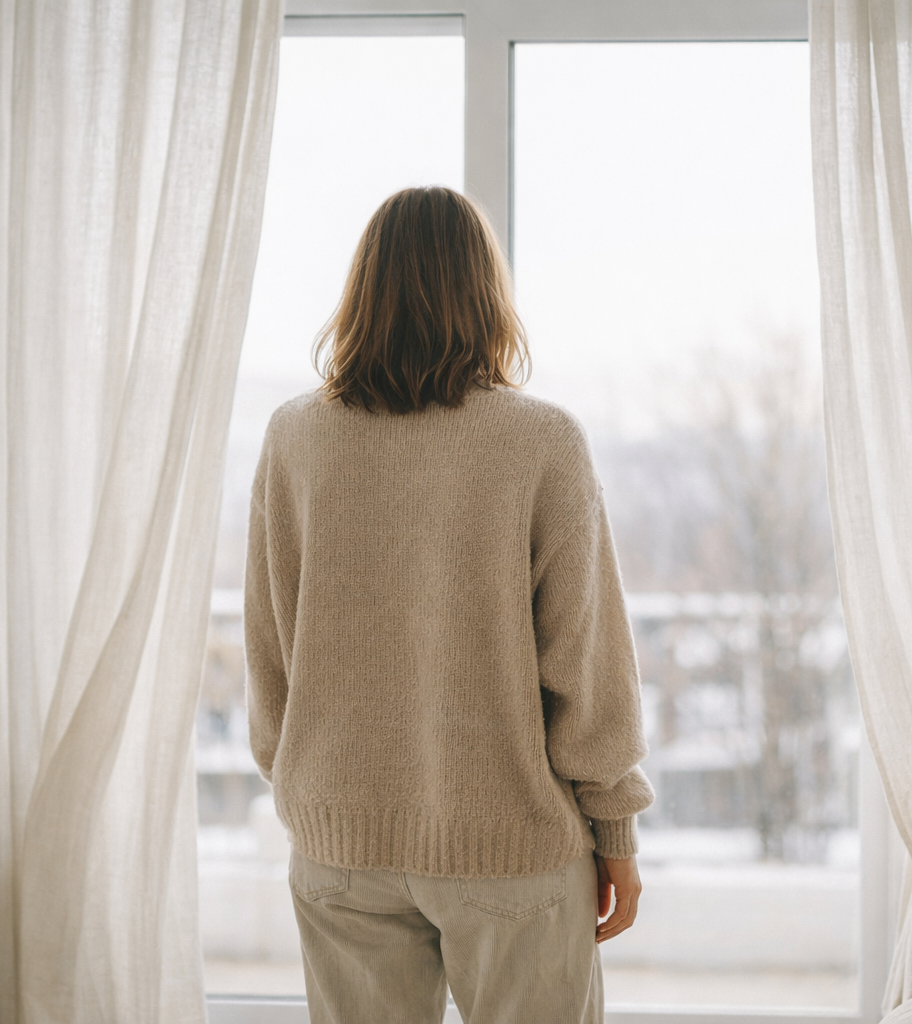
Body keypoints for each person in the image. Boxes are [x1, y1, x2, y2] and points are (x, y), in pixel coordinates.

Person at [244, 185, 653, 1024]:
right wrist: (614, 831)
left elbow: (268, 646)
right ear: (485, 295)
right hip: (510, 850)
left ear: (363, 293)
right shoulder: (542, 442)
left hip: (338, 846)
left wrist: (311, 784)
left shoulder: (295, 437)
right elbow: (586, 661)